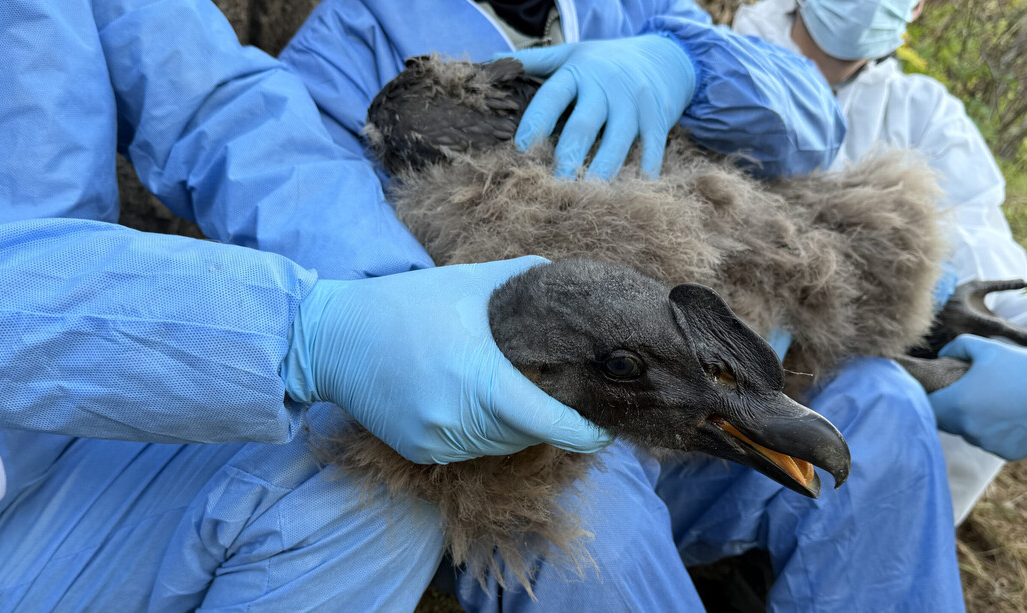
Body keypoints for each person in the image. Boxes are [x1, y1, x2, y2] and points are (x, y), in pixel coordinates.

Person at [280, 1, 963, 609]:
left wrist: (687, 65)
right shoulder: (350, 41)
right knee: (596, 532)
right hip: (526, 423)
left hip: (689, 391)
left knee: (883, 408)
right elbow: (315, 233)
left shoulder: (631, 8)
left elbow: (811, 122)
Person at [0, 1, 613, 611]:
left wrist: (388, 287)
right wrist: (302, 332)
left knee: (373, 477)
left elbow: (211, 105)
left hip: (64, 473)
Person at [734, 0, 1027, 525]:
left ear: (916, 7)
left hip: (841, 414)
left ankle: (879, 532)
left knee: (887, 396)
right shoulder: (719, 60)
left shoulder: (924, 114)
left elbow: (986, 249)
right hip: (707, 401)